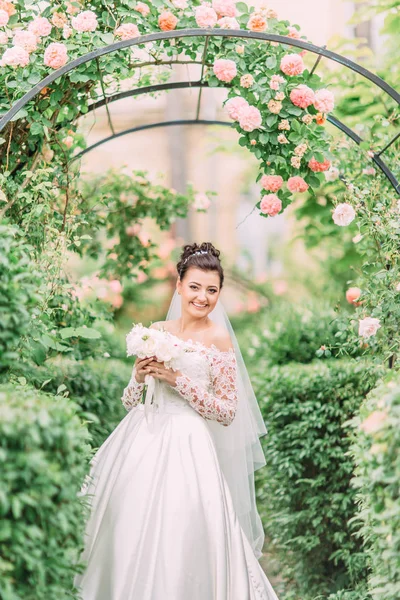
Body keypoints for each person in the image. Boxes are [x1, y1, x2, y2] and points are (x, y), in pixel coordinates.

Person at [73, 242, 279, 600]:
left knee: (183, 528)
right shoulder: (156, 330)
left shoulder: (219, 337)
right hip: (141, 438)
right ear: (179, 285)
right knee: (127, 523)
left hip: (189, 444)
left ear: (219, 294)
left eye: (212, 290)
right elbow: (129, 401)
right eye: (196, 287)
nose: (203, 297)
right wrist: (137, 378)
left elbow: (227, 411)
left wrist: (177, 380)